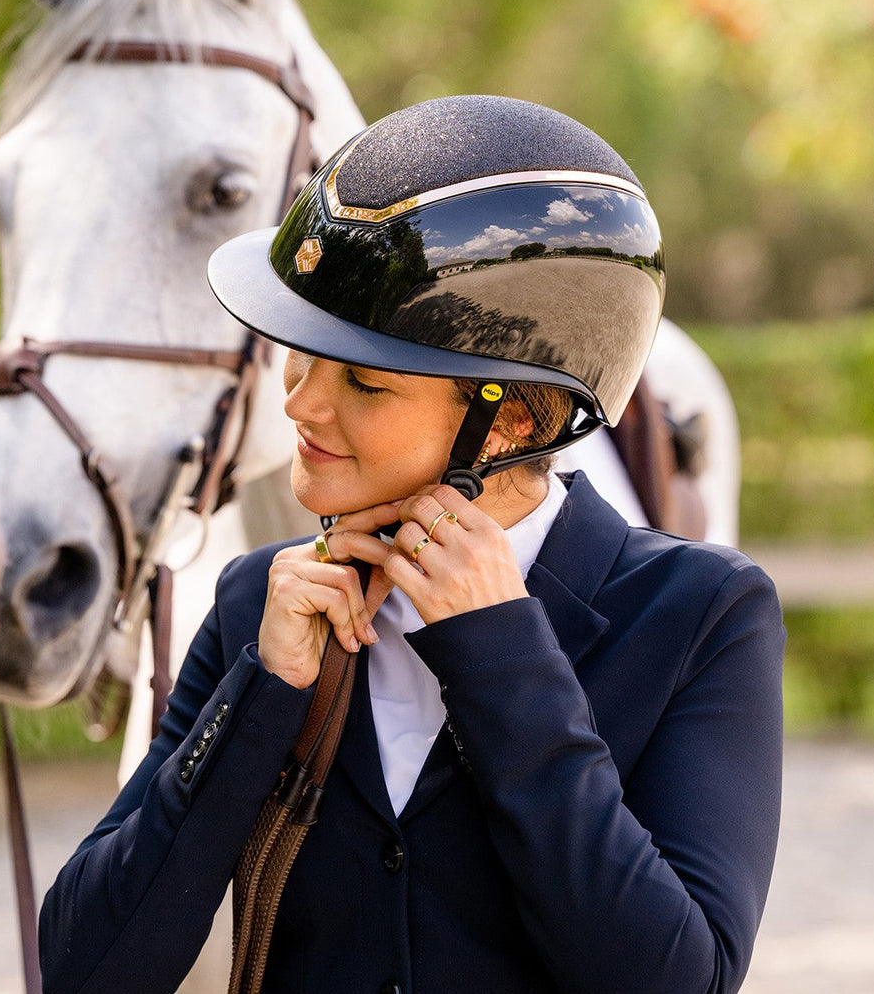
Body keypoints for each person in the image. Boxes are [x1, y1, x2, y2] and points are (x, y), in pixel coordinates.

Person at [39, 95, 785, 994]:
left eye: (362, 380)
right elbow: (87, 969)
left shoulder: (703, 615)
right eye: (299, 351)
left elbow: (677, 981)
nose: (302, 402)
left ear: (512, 417)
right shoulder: (254, 603)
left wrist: (499, 652)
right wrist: (260, 696)